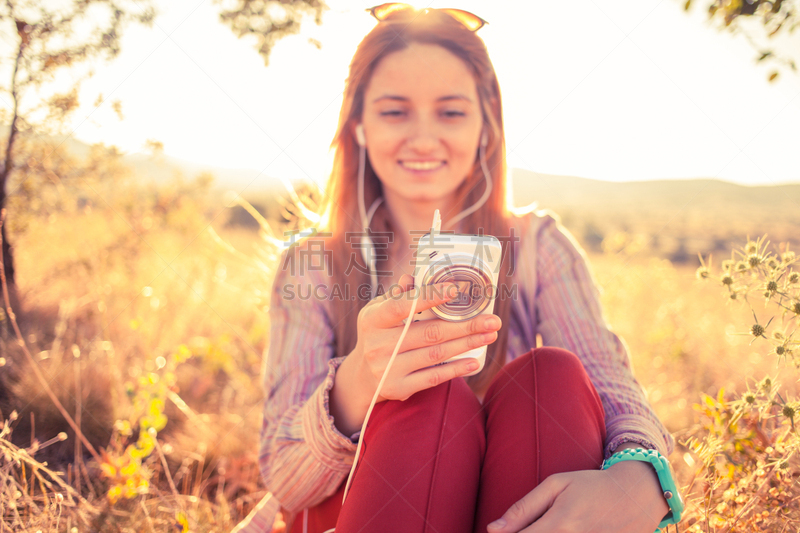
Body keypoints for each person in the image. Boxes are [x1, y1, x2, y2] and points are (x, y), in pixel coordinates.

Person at [238, 4, 677, 533]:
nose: (423, 138)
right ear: (357, 126)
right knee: (429, 398)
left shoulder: (540, 246)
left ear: (485, 125)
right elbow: (285, 479)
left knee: (552, 376)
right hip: (364, 509)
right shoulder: (311, 266)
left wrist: (641, 473)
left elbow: (612, 388)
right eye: (395, 111)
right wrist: (360, 381)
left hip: (511, 501)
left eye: (450, 112)